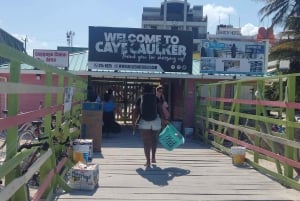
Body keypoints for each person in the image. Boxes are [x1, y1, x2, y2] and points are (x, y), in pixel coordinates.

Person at [133, 84, 165, 167]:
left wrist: (134, 123)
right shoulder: (156, 98)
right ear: (152, 91)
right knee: (154, 139)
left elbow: (135, 111)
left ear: (143, 90)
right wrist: (163, 120)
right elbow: (160, 110)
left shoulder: (140, 98)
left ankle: (148, 161)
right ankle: (153, 157)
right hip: (155, 121)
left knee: (146, 142)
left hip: (144, 121)